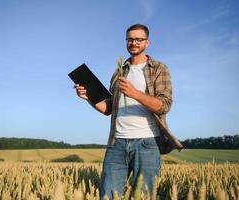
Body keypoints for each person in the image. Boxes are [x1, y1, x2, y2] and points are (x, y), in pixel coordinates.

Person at [74, 24, 183, 199]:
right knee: (108, 195)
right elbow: (108, 109)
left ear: (147, 42)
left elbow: (164, 105)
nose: (134, 42)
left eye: (139, 39)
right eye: (130, 39)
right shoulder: (119, 72)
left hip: (147, 142)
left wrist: (135, 93)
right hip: (117, 142)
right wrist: (89, 98)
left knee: (145, 195)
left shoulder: (159, 69)